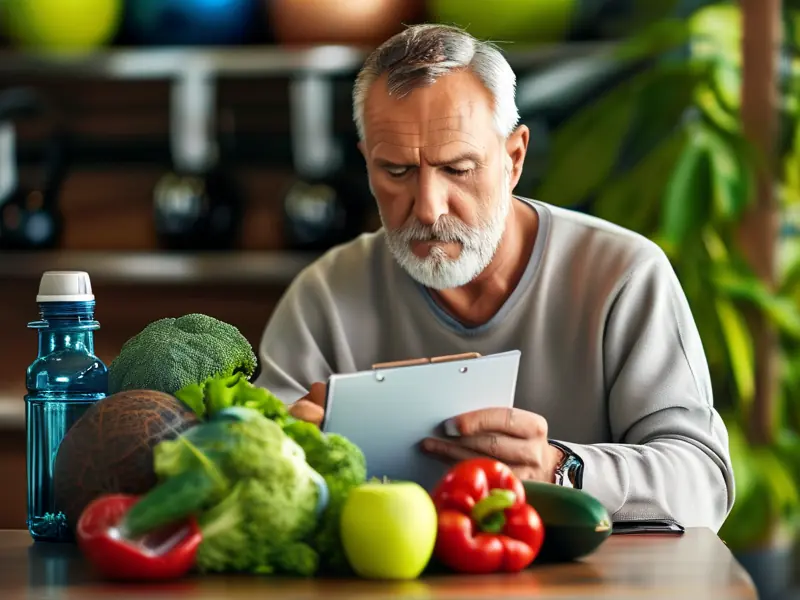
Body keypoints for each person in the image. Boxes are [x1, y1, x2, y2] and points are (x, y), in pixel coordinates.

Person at [254, 23, 734, 531]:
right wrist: (286, 449)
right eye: (395, 171)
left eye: (458, 169)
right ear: (367, 162)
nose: (428, 208)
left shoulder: (624, 275)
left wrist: (561, 468)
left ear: (514, 159)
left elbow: (703, 481)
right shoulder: (323, 295)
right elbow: (255, 480)